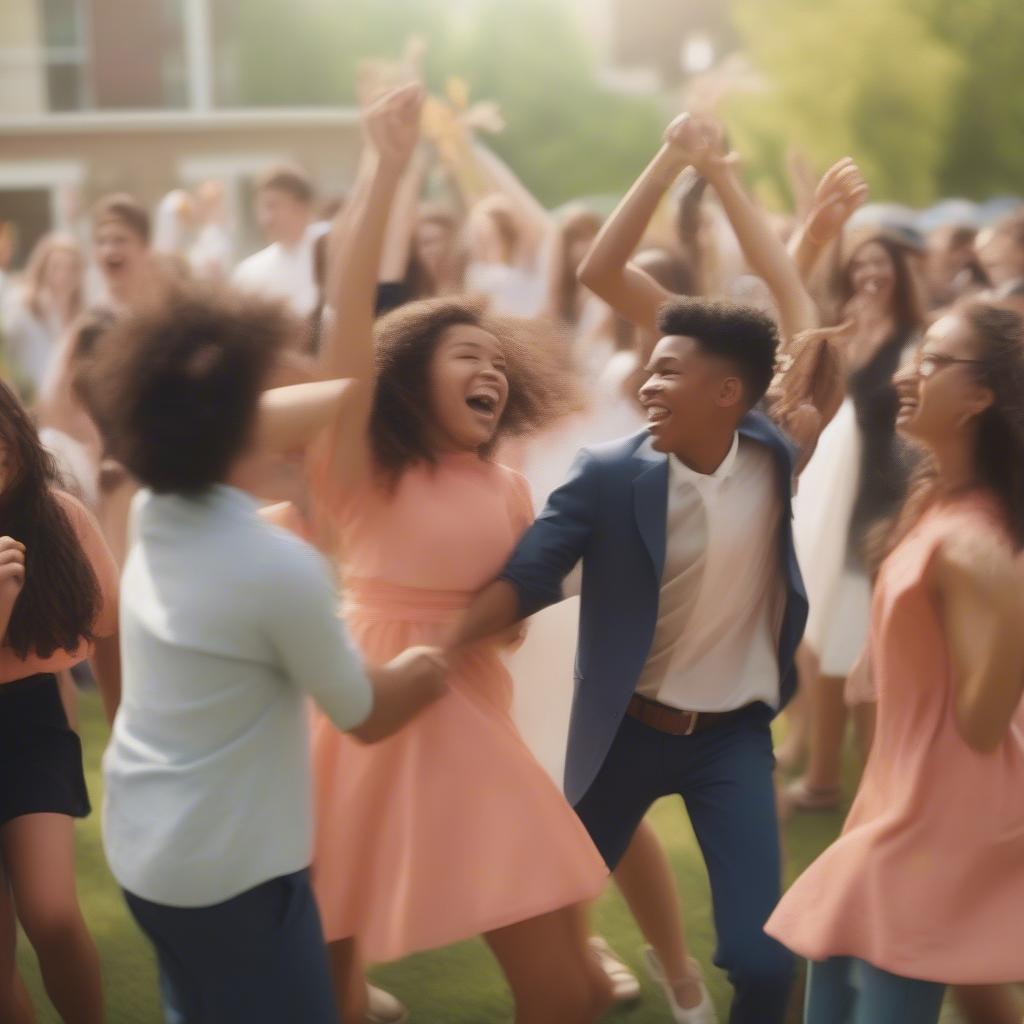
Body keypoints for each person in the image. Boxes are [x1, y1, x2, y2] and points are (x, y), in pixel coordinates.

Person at [450, 112, 837, 1024]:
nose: (648, 384)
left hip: (732, 738)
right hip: (622, 730)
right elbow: (530, 577)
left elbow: (799, 314)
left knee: (765, 963)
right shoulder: (611, 475)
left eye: (670, 372)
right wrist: (671, 158)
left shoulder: (778, 448)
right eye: (650, 369)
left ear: (731, 393)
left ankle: (705, 984)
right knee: (542, 917)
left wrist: (739, 186)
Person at [304, 84, 609, 1024]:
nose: (489, 371)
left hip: (472, 714)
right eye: (464, 355)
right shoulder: (358, 464)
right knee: (324, 975)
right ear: (404, 378)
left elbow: (514, 622)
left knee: (567, 985)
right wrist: (385, 167)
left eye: (496, 362)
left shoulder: (507, 484)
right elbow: (346, 307)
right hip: (375, 714)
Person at [93, 281, 449, 1024]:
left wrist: (357, 387)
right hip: (236, 876)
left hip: (147, 850)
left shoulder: (157, 504)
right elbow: (362, 713)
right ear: (230, 421)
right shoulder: (277, 565)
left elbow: (257, 418)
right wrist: (425, 666)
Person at [766, 299, 1024, 1024]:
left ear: (981, 395)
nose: (910, 375)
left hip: (944, 823)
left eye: (935, 360)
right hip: (901, 807)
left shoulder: (976, 545)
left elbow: (981, 724)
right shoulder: (935, 503)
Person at [785, 230, 925, 811]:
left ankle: (854, 781)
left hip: (882, 502)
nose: (870, 272)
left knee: (862, 646)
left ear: (901, 271)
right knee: (821, 638)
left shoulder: (914, 339)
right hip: (832, 501)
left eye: (881, 262)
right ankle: (827, 772)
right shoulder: (845, 330)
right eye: (861, 262)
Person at [0, 379, 121, 1024]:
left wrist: (125, 722)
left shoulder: (59, 517)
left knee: (49, 911)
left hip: (32, 723)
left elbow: (109, 625)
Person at [0, 233, 84, 401]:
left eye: (71, 268)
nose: (64, 275)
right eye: (57, 267)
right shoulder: (22, 307)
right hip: (26, 405)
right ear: (43, 268)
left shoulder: (81, 317)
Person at [232, 163, 321, 318]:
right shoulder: (250, 273)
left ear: (301, 207)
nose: (266, 219)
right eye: (262, 208)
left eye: (273, 206)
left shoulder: (335, 254)